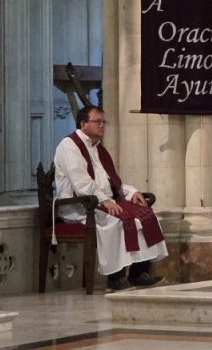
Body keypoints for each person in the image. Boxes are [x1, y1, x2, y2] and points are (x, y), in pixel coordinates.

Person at [53, 106, 167, 291]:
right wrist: (104, 201)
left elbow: (110, 181)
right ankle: (115, 279)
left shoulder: (97, 148)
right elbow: (81, 183)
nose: (102, 125)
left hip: (100, 201)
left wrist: (131, 193)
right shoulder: (69, 145)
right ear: (83, 124)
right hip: (80, 206)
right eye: (97, 122)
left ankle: (138, 274)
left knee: (145, 215)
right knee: (116, 221)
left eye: (103, 122)